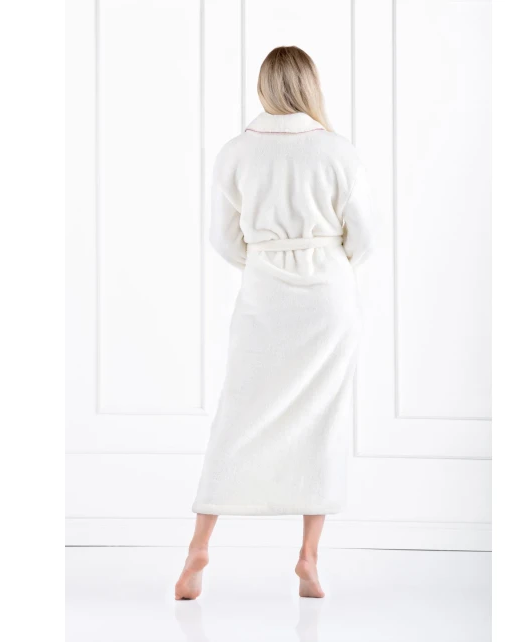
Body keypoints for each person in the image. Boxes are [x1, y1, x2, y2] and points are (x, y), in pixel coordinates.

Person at [175, 46, 376, 600]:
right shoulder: (338, 151)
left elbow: (223, 239)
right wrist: (326, 262)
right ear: (311, 85)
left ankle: (198, 547)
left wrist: (267, 261)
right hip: (329, 299)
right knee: (322, 419)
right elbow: (366, 237)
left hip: (263, 295)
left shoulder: (236, 152)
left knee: (238, 413)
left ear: (263, 85)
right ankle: (309, 558)